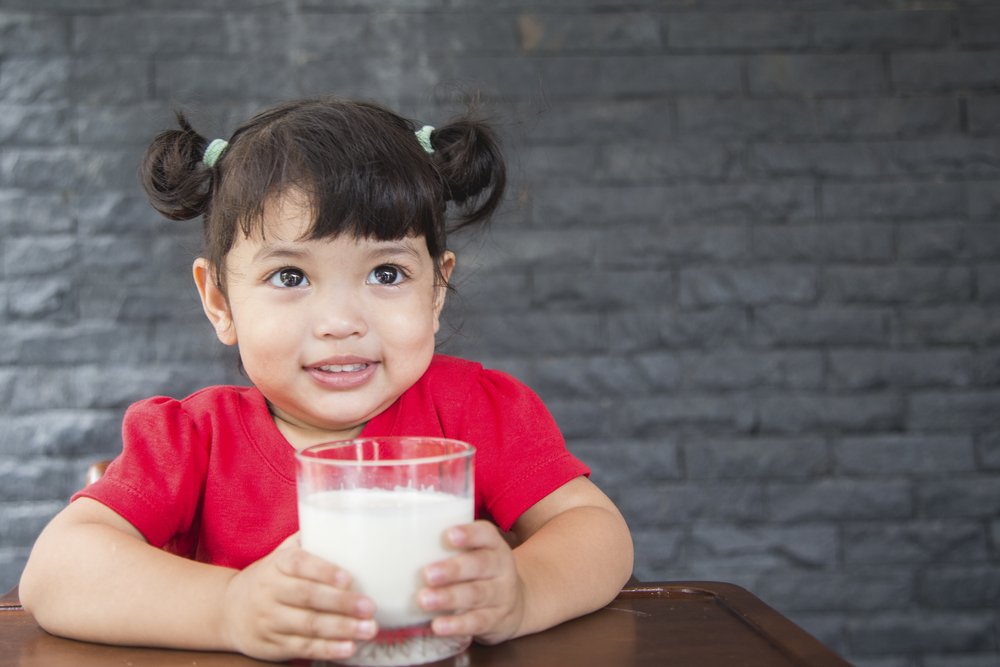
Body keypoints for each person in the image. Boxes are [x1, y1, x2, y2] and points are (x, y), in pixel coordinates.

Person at [19, 95, 634, 663]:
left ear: (437, 288)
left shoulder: (477, 410)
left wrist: (522, 591)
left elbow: (597, 533)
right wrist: (230, 608)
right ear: (220, 302)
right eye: (290, 277)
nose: (342, 323)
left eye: (387, 274)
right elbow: (54, 574)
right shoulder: (190, 440)